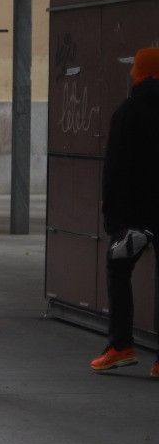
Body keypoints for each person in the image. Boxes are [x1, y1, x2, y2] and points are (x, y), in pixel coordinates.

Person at [90, 47, 159, 376]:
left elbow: (115, 170)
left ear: (140, 73)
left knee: (119, 271)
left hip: (135, 216)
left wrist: (113, 218)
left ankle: (121, 346)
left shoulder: (127, 112)